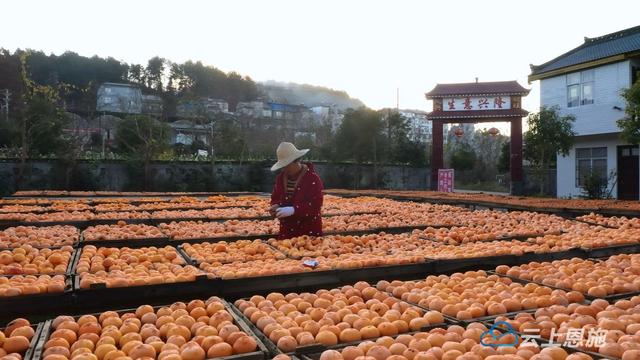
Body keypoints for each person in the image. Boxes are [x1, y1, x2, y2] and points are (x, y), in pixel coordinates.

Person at [270, 142, 324, 239]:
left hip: (308, 233)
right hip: (287, 232)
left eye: (286, 165)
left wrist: (294, 209)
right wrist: (275, 206)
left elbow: (316, 204)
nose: (284, 168)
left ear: (295, 161)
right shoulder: (281, 178)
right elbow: (275, 197)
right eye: (283, 166)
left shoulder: (312, 179)